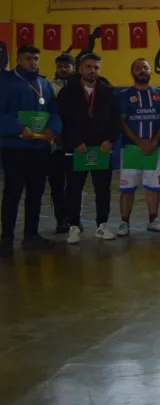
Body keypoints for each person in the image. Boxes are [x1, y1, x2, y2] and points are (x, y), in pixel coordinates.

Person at [0, 45, 61, 255]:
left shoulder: (44, 83)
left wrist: (53, 129)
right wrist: (18, 129)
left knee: (36, 193)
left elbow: (53, 111)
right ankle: (7, 238)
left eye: (36, 58)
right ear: (18, 60)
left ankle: (31, 235)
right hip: (15, 148)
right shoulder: (5, 82)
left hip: (40, 148)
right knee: (12, 193)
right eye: (28, 58)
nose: (33, 62)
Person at [58, 53, 121, 243]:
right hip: (77, 148)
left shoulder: (108, 91)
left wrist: (110, 140)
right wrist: (75, 141)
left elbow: (116, 118)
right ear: (80, 68)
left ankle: (102, 225)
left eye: (96, 67)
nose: (92, 70)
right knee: (74, 189)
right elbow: (63, 119)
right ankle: (74, 226)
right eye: (88, 67)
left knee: (102, 189)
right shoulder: (67, 92)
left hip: (101, 148)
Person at [118, 58, 160, 236]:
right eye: (138, 68)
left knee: (153, 187)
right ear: (132, 72)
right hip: (130, 148)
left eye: (145, 68)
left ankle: (153, 220)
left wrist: (153, 141)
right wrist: (140, 142)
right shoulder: (124, 95)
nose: (142, 71)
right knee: (127, 188)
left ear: (150, 71)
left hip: (154, 148)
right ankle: (124, 223)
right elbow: (122, 121)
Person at [48, 52, 74, 234]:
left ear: (73, 68)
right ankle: (61, 220)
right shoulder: (48, 88)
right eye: (60, 66)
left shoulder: (80, 87)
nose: (63, 69)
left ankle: (74, 219)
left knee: (74, 184)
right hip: (55, 145)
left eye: (66, 66)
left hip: (76, 144)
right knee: (56, 185)